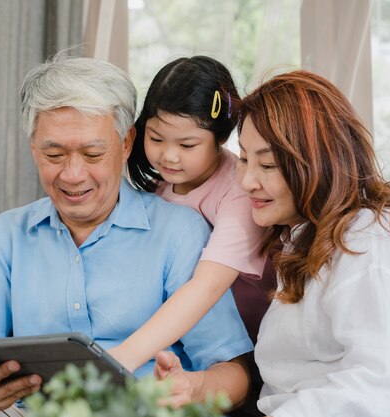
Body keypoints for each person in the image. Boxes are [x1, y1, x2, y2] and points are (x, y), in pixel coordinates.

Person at [0, 55, 252, 417]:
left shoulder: (180, 231)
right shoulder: (5, 235)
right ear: (33, 148)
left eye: (92, 154)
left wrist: (193, 387)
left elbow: (235, 374)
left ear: (125, 144)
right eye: (54, 154)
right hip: (28, 410)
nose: (72, 175)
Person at [235, 70, 390, 417]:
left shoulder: (370, 241)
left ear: (319, 163)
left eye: (267, 164)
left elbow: (378, 384)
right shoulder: (304, 236)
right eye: (244, 159)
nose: (247, 180)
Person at [106, 55, 276, 415]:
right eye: (156, 138)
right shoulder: (157, 186)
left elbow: (207, 287)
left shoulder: (239, 191)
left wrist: (121, 358)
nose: (168, 156)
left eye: (187, 145)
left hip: (248, 356)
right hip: (186, 348)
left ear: (223, 137)